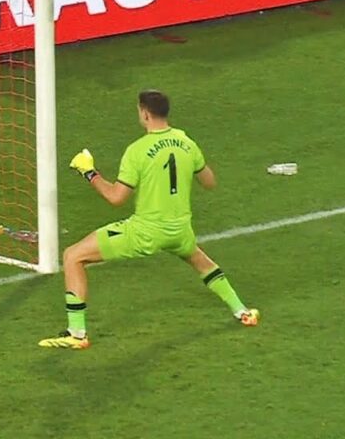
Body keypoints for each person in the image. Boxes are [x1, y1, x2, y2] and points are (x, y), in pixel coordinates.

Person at [38, 90, 259, 350]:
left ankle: (76, 334)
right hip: (180, 230)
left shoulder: (138, 150)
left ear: (144, 113)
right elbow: (209, 182)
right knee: (201, 262)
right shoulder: (186, 141)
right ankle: (242, 311)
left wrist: (88, 171)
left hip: (146, 232)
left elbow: (115, 197)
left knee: (73, 256)